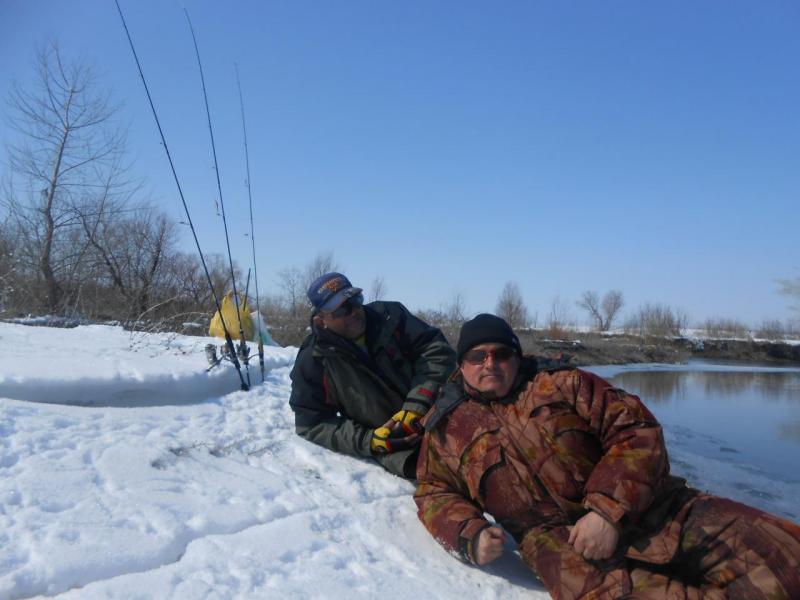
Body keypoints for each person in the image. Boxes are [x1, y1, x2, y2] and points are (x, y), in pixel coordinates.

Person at [415, 313, 800, 599]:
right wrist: (469, 534)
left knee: (785, 556)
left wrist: (606, 511)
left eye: (500, 353)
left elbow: (636, 431)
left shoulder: (566, 384)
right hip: (558, 546)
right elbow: (433, 491)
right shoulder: (447, 427)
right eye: (477, 356)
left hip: (654, 508)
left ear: (516, 356)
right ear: (461, 365)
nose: (489, 363)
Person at [290, 272, 457, 479]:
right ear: (321, 320)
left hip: (445, 416)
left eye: (355, 301)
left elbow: (437, 351)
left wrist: (417, 404)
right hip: (400, 447)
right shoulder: (313, 359)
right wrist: (370, 440)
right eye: (342, 309)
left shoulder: (391, 316)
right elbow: (311, 423)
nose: (353, 312)